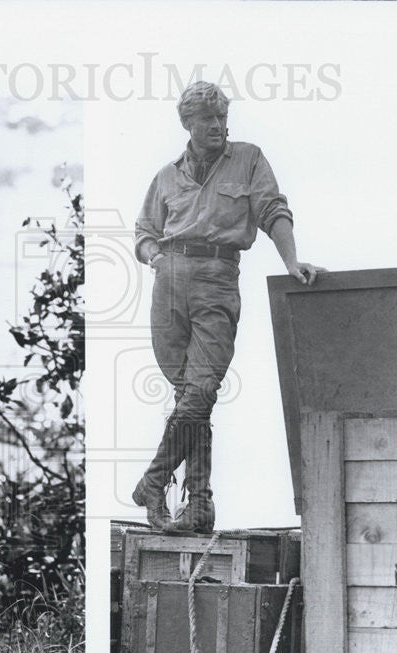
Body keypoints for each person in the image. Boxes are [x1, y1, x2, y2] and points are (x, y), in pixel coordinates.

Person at [132, 81, 324, 534]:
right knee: (190, 401)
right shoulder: (166, 175)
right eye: (208, 120)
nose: (218, 126)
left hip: (217, 280)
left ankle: (153, 480)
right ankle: (199, 505)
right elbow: (143, 231)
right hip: (168, 283)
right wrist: (154, 257)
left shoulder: (249, 159)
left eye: (222, 117)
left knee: (199, 392)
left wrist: (292, 261)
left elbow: (274, 210)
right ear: (189, 124)